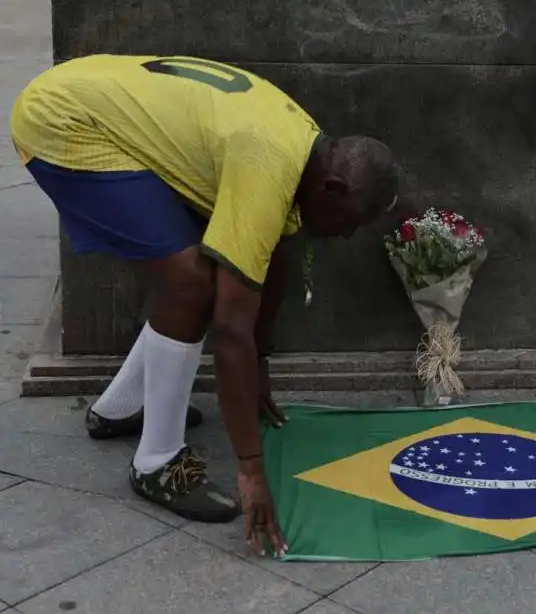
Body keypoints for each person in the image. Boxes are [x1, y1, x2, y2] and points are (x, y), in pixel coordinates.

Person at [9, 54, 398, 558]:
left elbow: (270, 259)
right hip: (63, 122)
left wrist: (260, 365)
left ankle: (119, 408)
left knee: (196, 279)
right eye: (354, 221)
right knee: (192, 286)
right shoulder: (269, 164)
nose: (347, 234)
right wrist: (251, 468)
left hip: (87, 102)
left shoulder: (303, 151)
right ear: (333, 189)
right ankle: (157, 463)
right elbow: (231, 329)